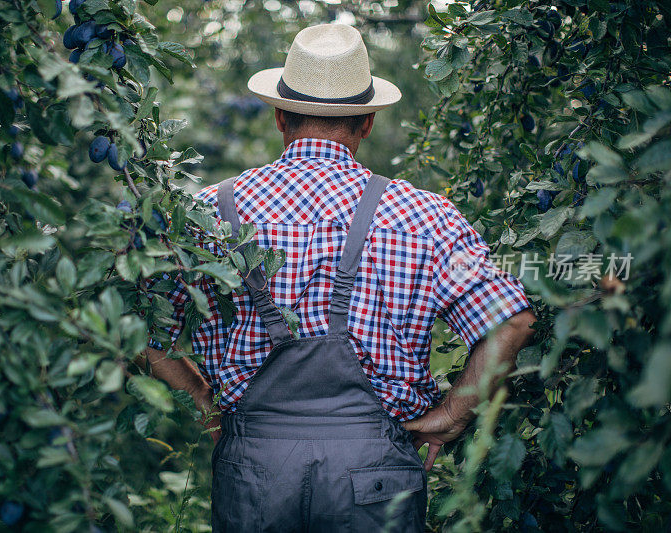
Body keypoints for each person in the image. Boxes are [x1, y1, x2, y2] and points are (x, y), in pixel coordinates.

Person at [139, 23, 536, 532]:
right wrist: (453, 415)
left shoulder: (207, 213)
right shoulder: (426, 215)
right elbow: (513, 323)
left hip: (254, 465)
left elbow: (139, 330)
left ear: (280, 116)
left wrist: (202, 400)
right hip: (375, 471)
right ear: (367, 122)